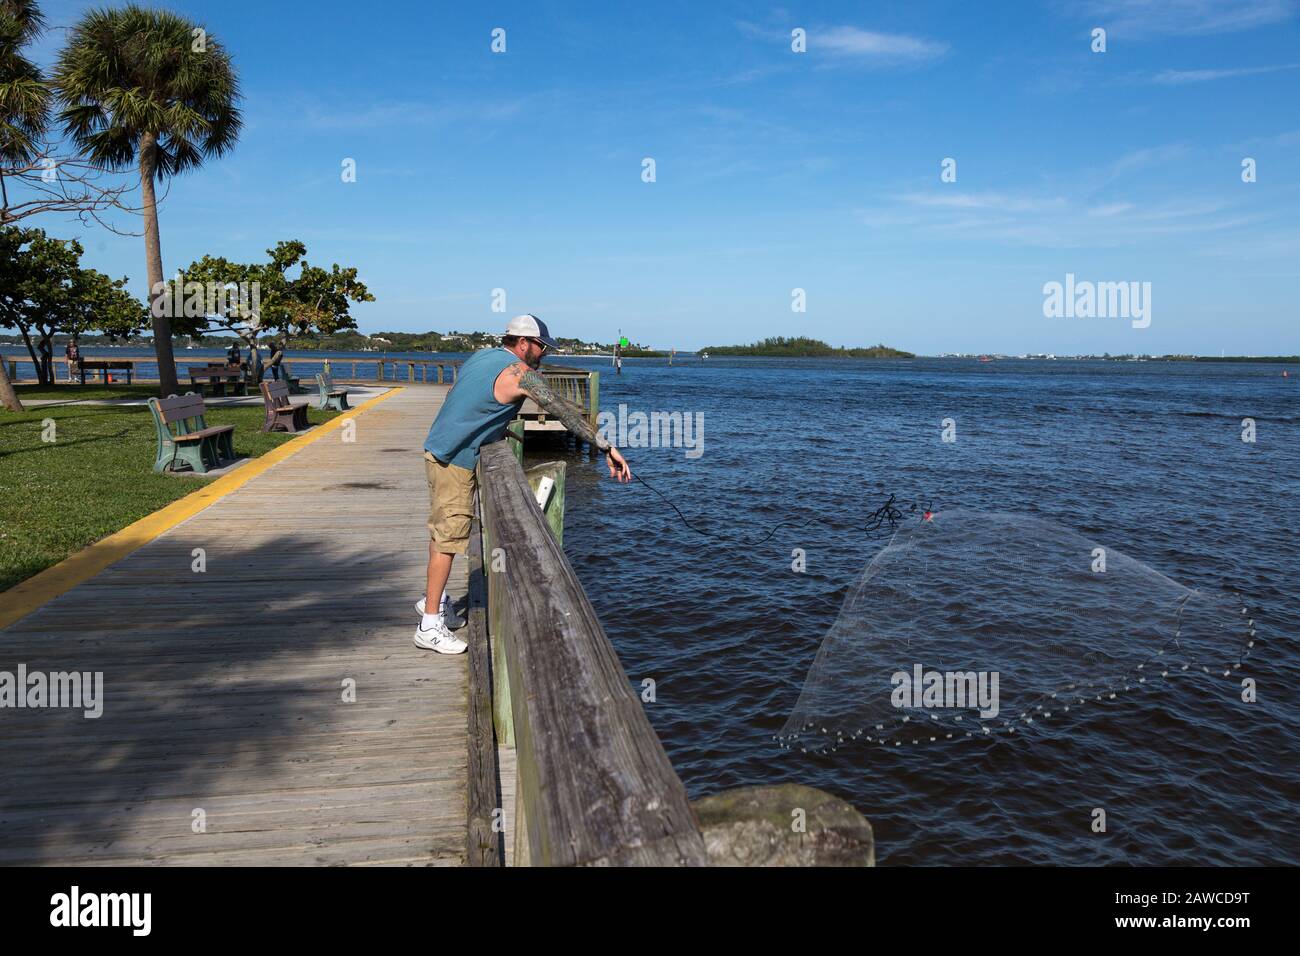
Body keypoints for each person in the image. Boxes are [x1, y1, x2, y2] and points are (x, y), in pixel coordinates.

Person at [414, 314, 632, 653]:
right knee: (448, 538)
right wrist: (605, 446)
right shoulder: (521, 373)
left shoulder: (483, 356)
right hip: (455, 461)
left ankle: (435, 599)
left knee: (439, 532)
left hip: (437, 450)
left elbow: (468, 399)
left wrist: (495, 429)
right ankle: (429, 625)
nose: (544, 354)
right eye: (542, 347)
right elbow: (563, 410)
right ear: (523, 343)